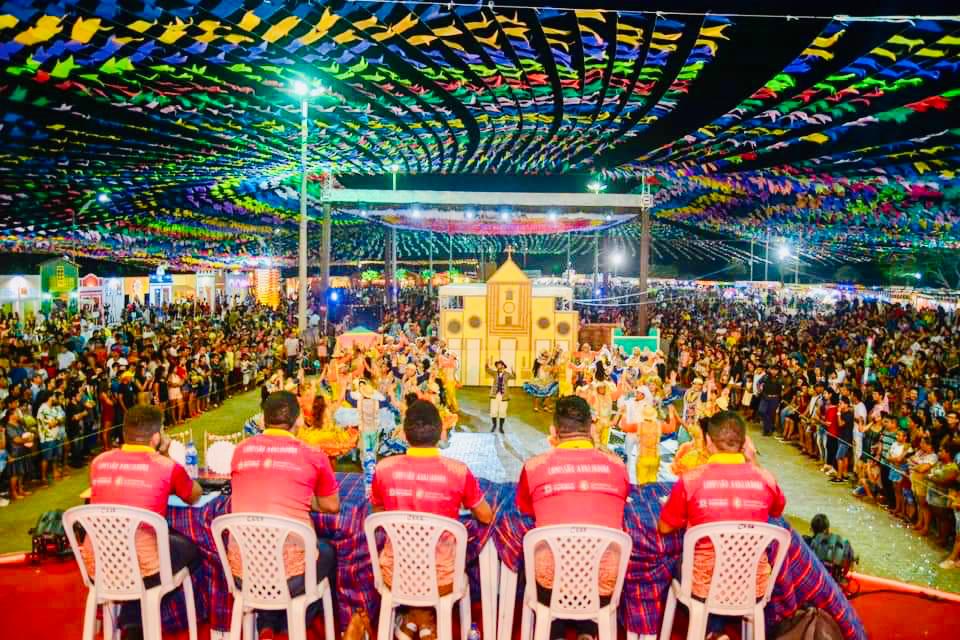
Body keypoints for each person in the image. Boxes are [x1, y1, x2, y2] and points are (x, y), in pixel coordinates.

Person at [371, 399, 493, 640]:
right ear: (441, 432)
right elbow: (486, 516)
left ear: (404, 434)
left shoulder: (383, 469)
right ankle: (423, 620)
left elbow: (377, 512)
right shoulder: (458, 471)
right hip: (443, 576)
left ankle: (415, 619)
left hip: (396, 573)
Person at [516, 395, 630, 640]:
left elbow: (526, 510)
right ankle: (587, 630)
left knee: (532, 555)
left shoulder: (534, 467)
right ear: (591, 429)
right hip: (603, 584)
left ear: (553, 431)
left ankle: (554, 631)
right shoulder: (618, 466)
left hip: (549, 584)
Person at [83, 405, 202, 638]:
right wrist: (165, 454)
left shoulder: (99, 462)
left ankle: (132, 622)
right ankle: (170, 617)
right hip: (143, 563)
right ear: (157, 437)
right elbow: (194, 495)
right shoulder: (166, 466)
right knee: (192, 550)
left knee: (141, 546)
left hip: (98, 560)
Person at [229, 391, 340, 634]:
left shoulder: (240, 450)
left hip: (243, 570)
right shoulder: (312, 454)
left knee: (273, 553)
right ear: (299, 419)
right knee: (328, 552)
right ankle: (292, 627)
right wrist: (305, 498)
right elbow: (332, 505)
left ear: (262, 420)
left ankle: (268, 624)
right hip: (288, 571)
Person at [658, 411, 786, 603]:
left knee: (672, 563)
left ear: (708, 440)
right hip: (753, 585)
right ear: (745, 443)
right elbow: (777, 511)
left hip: (703, 586)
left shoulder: (691, 480)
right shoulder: (766, 478)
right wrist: (753, 461)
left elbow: (664, 527)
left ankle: (704, 622)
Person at [486, 359, 515, 434]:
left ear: (503, 366)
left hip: (504, 395)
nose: (498, 366)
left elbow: (514, 377)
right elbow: (487, 370)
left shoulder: (507, 374)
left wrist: (513, 370)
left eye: (500, 364)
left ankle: (501, 427)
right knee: (493, 411)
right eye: (497, 365)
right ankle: (494, 425)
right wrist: (486, 364)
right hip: (494, 394)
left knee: (502, 411)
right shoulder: (494, 373)